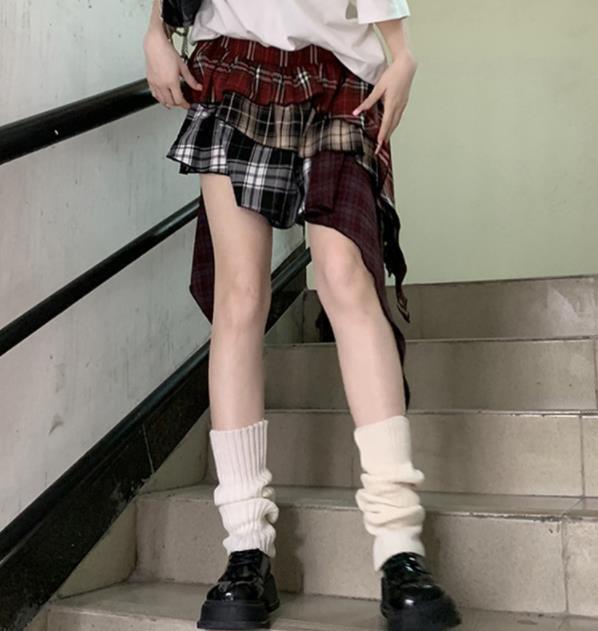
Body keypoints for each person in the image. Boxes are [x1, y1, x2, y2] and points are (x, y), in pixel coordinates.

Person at [143, 1, 461, 629]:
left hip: (339, 73)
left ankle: (399, 544)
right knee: (239, 297)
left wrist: (402, 53)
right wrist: (156, 29)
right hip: (235, 64)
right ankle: (246, 548)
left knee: (346, 280)